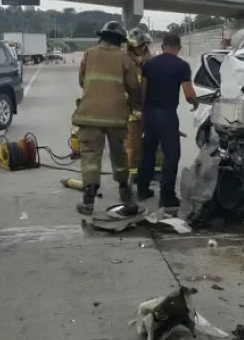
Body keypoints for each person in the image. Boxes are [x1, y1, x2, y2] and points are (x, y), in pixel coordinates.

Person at [73, 21, 141, 214]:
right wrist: (135, 105)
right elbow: (133, 88)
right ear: (120, 40)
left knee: (90, 155)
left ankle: (88, 200)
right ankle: (124, 191)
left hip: (89, 115)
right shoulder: (124, 59)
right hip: (116, 117)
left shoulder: (89, 54)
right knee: (119, 153)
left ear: (102, 37)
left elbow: (81, 81)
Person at [136, 33, 198, 209]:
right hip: (167, 115)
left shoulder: (149, 64)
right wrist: (195, 102)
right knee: (172, 154)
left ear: (163, 46)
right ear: (178, 48)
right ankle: (167, 195)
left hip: (149, 113)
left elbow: (143, 90)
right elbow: (188, 94)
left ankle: (142, 189)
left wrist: (143, 111)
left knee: (148, 151)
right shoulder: (182, 66)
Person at [124, 29, 164, 189]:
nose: (142, 48)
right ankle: (133, 172)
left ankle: (157, 170)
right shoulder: (124, 61)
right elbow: (123, 88)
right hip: (132, 110)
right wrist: (132, 109)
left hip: (151, 108)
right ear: (132, 46)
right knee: (133, 144)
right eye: (140, 45)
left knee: (157, 142)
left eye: (144, 45)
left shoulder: (151, 61)